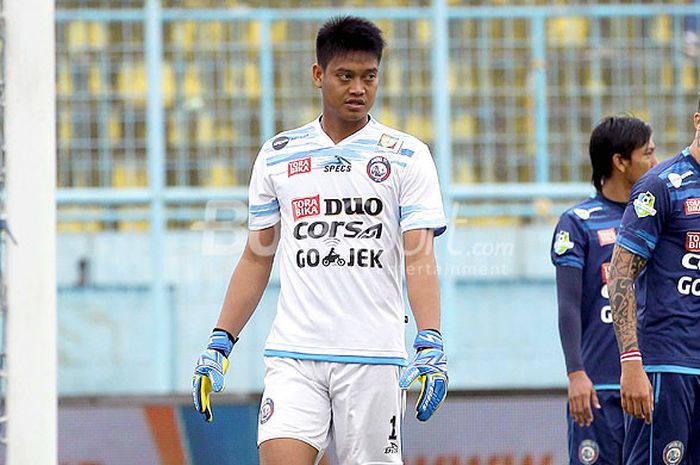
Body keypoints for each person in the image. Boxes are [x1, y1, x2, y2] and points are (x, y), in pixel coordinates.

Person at [191, 16, 448, 465]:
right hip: (294, 354)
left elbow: (418, 253)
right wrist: (220, 341)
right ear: (318, 75)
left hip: (372, 356)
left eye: (369, 77)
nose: (358, 88)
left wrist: (430, 340)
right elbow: (257, 256)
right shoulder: (279, 154)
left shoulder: (407, 155)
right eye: (345, 76)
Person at [551, 116, 656, 465]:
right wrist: (576, 374)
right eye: (648, 154)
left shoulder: (659, 218)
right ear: (620, 161)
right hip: (599, 387)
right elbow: (568, 305)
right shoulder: (578, 222)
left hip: (651, 383)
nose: (655, 163)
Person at [609, 102, 700, 463]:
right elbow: (620, 273)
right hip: (669, 364)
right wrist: (631, 361)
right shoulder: (661, 185)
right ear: (698, 119)